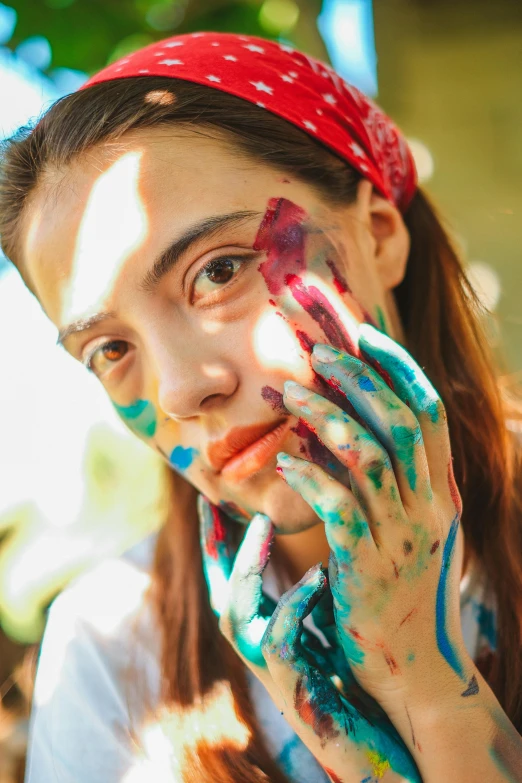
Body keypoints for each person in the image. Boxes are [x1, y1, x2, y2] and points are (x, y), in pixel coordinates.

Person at [0, 30, 521, 783]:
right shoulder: (111, 651)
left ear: (379, 236)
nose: (180, 391)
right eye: (110, 350)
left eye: (218, 270)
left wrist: (428, 682)